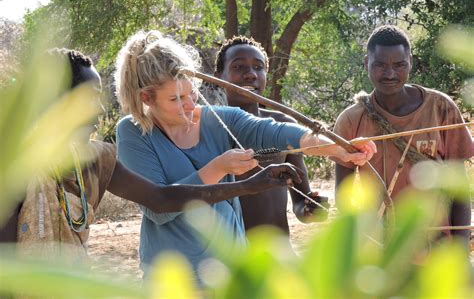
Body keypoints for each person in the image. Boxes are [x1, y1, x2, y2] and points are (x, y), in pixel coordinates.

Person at [114, 30, 376, 280]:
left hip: (231, 275)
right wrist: (222, 169)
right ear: (147, 98)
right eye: (176, 99)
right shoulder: (133, 132)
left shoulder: (218, 119)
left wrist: (340, 147)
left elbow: (278, 132)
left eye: (191, 92)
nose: (190, 104)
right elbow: (160, 206)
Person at [0, 48, 306, 256]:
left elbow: (161, 199)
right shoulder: (13, 167)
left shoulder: (95, 159)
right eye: (90, 97)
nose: (99, 108)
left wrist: (248, 185)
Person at [333, 25, 473, 243]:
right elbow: (345, 197)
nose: (390, 74)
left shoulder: (441, 108)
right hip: (383, 250)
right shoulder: (351, 120)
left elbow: (459, 189)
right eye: (380, 65)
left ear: (411, 63)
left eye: (399, 65)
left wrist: (461, 250)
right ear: (366, 63)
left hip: (438, 247)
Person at [214, 36, 327, 235]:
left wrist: (310, 208)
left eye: (258, 67)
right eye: (239, 67)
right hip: (226, 257)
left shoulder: (283, 125)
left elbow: (300, 201)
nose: (250, 74)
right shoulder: (207, 128)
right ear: (218, 76)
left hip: (277, 256)